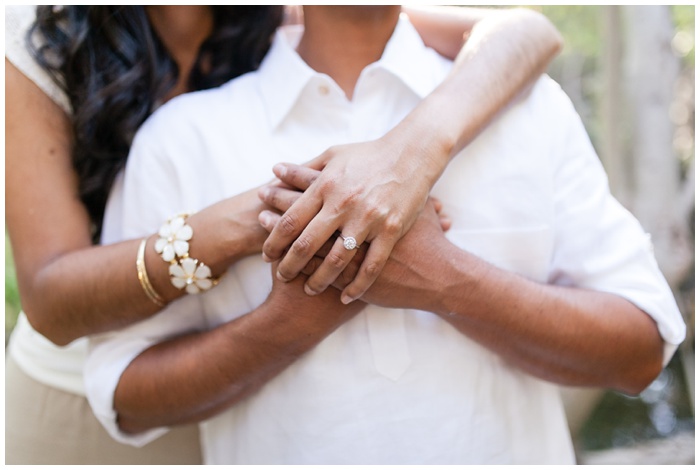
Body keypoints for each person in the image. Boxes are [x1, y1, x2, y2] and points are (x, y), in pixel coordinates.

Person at [84, 5, 685, 465]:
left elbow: (641, 350)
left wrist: (445, 281)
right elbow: (124, 393)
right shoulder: (181, 140)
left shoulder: (531, 109)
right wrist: (289, 323)